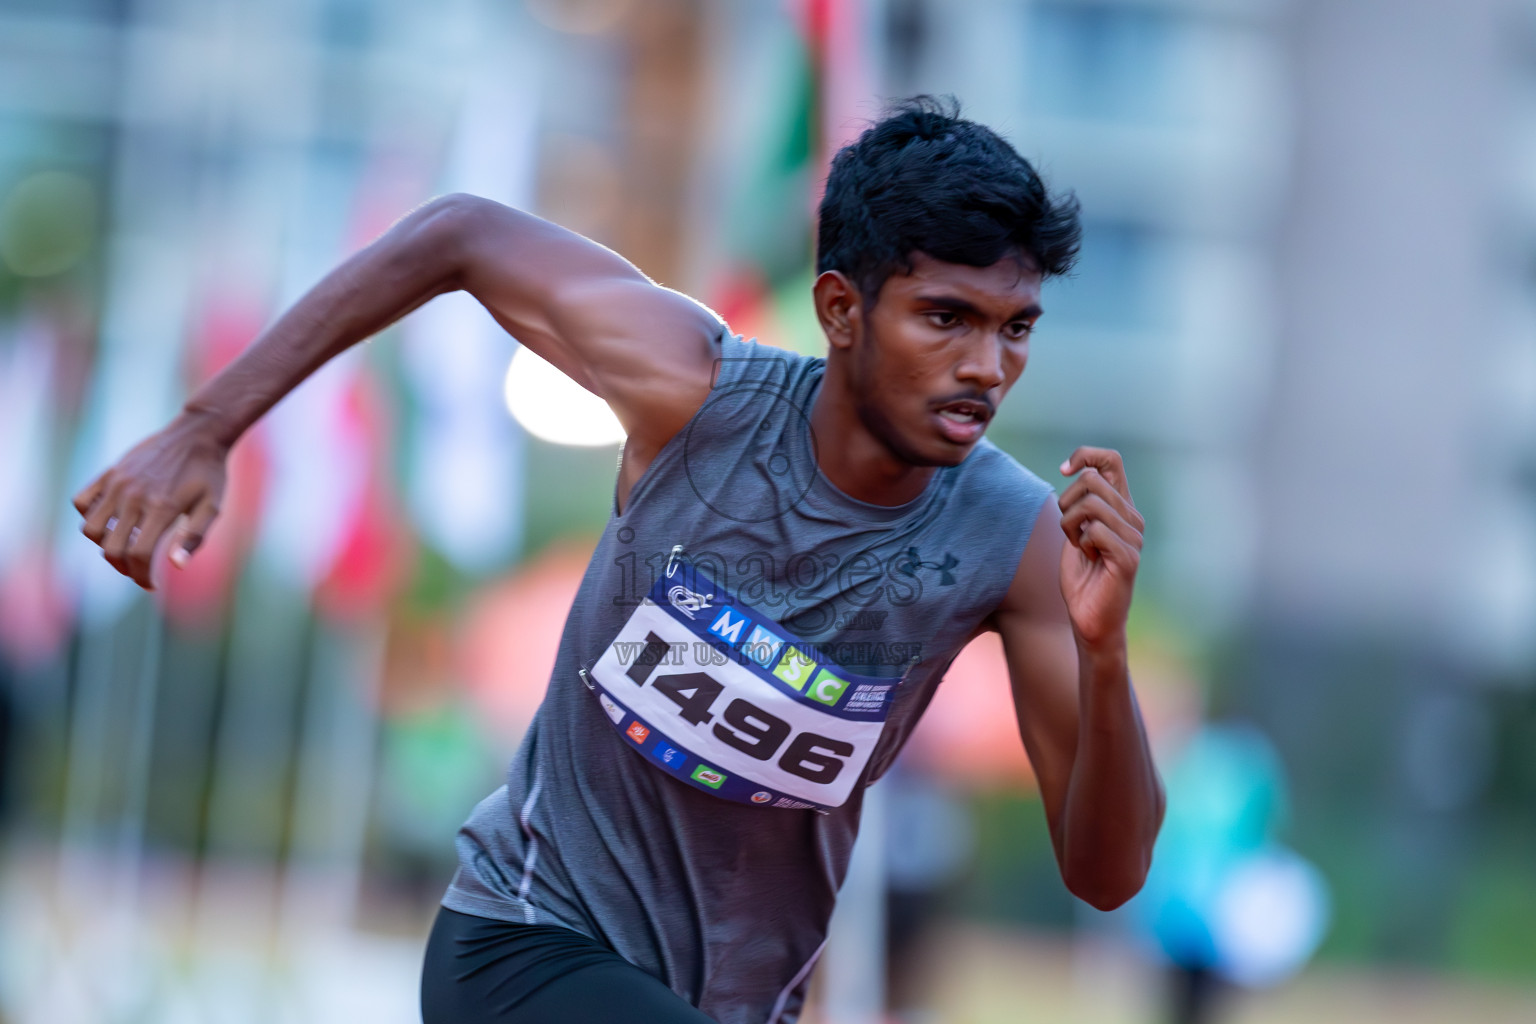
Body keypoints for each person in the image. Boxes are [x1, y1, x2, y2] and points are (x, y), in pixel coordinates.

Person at [72, 96, 1165, 1024]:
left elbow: (1105, 875)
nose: (986, 366)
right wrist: (207, 426)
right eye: (946, 317)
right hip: (521, 944)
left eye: (1016, 328)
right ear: (841, 307)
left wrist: (1104, 652)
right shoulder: (693, 388)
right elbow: (459, 233)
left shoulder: (1013, 539)